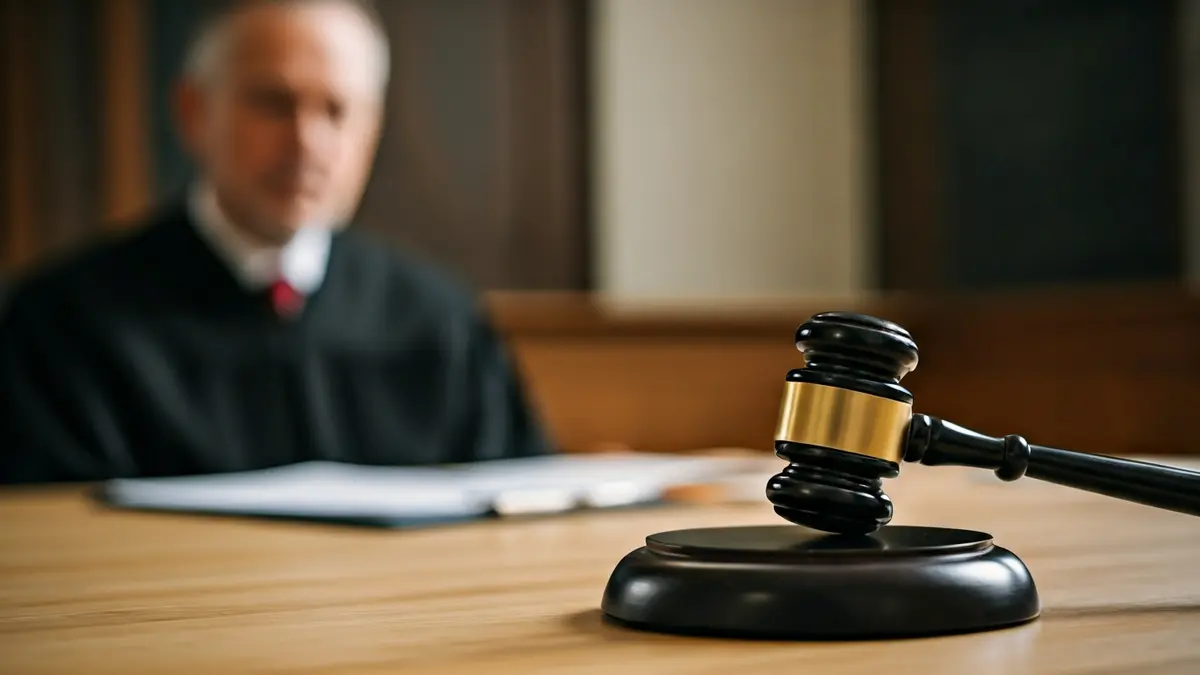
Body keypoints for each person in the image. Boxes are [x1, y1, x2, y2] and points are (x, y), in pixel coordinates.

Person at [0, 0, 554, 484]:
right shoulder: (66, 324)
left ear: (373, 129)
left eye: (335, 110)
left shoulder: (441, 322)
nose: (306, 143)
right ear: (194, 112)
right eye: (273, 102)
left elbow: (514, 508)